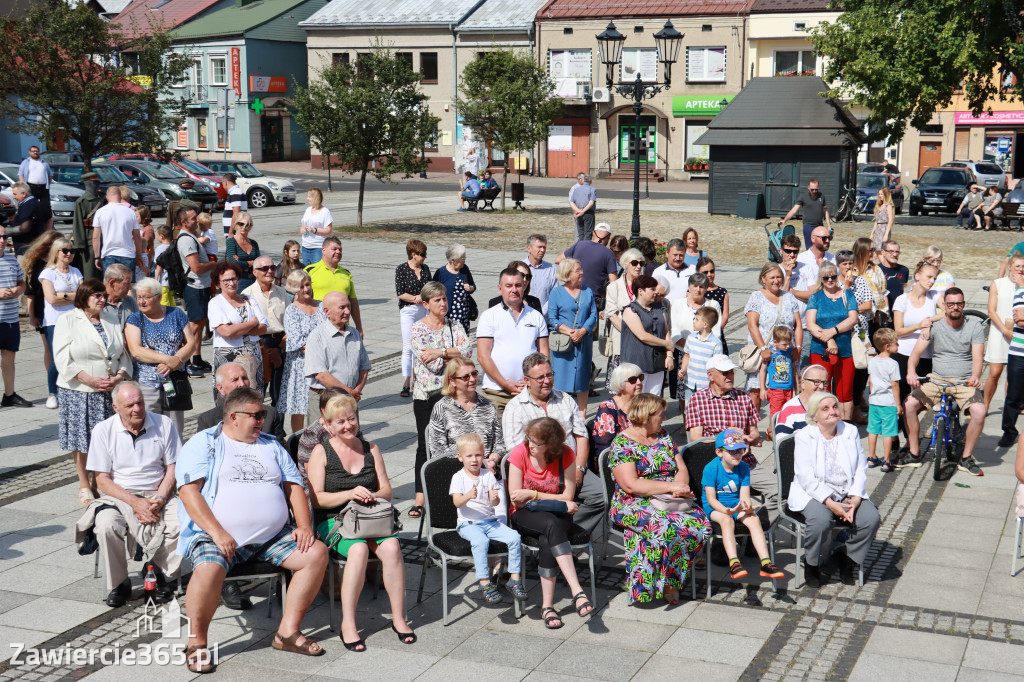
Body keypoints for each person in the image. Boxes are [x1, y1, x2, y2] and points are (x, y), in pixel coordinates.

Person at [176, 387, 328, 672]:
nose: (262, 419)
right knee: (208, 568)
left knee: (315, 553)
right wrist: (218, 532)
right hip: (215, 533)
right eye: (256, 415)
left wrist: (305, 525)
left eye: (263, 414)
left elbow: (294, 486)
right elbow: (188, 493)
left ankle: (287, 633)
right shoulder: (204, 443)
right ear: (234, 416)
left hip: (270, 536)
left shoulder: (271, 445)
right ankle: (196, 642)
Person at [306, 393, 414, 651]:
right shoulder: (321, 452)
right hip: (334, 520)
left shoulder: (371, 449)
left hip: (370, 518)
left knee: (392, 547)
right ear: (328, 425)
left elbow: (387, 491)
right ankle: (349, 623)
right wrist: (349, 494)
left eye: (351, 418)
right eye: (340, 421)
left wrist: (370, 495)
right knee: (358, 548)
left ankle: (398, 618)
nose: (348, 425)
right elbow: (317, 499)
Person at [609, 393, 711, 604]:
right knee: (664, 526)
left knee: (700, 524)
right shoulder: (622, 443)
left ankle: (671, 580)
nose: (664, 418)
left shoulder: (664, 436)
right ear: (646, 416)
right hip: (632, 502)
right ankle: (652, 585)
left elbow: (680, 468)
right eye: (660, 414)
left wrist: (679, 488)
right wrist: (670, 486)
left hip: (669, 497)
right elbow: (631, 484)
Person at [85, 381, 181, 607]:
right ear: (115, 408)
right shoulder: (103, 430)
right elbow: (101, 479)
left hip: (158, 492)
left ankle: (159, 569)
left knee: (184, 521)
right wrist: (135, 503)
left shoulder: (164, 424)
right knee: (107, 524)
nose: (137, 409)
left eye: (140, 403)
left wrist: (159, 498)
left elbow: (174, 468)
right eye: (129, 405)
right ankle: (119, 583)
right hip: (120, 495)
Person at [506, 417, 594, 628]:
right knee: (551, 525)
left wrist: (533, 494)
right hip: (525, 514)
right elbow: (516, 498)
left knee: (548, 538)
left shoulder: (566, 455)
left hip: (556, 515)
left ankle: (547, 607)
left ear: (551, 445)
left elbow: (568, 496)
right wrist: (550, 500)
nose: (530, 445)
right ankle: (577, 591)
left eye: (535, 443)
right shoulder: (520, 453)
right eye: (529, 439)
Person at [502, 353, 603, 536]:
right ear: (527, 380)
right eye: (540, 377)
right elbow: (515, 451)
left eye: (549, 375)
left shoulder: (565, 399)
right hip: (538, 472)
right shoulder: (515, 407)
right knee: (544, 508)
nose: (547, 380)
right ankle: (554, 536)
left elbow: (581, 437)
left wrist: (579, 468)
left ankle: (566, 534)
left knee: (601, 496)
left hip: (571, 466)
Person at [789, 392, 880, 588]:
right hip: (814, 492)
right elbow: (806, 477)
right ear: (814, 416)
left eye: (835, 407)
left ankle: (848, 558)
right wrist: (830, 503)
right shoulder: (805, 436)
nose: (833, 411)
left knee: (871, 519)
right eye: (826, 408)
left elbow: (860, 467)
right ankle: (812, 563)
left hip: (847, 491)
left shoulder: (850, 431)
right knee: (821, 520)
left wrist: (855, 498)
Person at [53, 278, 132, 506]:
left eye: (103, 295)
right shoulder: (67, 320)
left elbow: (123, 354)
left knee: (109, 439)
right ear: (83, 297)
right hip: (80, 390)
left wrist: (118, 376)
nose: (102, 299)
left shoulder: (110, 317)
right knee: (82, 439)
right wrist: (89, 380)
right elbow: (62, 359)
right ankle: (84, 485)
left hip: (109, 390)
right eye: (96, 295)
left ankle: (102, 481)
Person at [904, 288, 986, 475]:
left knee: (980, 412)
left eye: (959, 304)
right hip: (937, 380)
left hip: (964, 381)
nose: (955, 307)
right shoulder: (934, 326)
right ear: (945, 306)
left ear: (963, 305)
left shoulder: (974, 327)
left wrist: (975, 376)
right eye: (951, 304)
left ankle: (966, 458)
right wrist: (911, 371)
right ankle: (915, 453)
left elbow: (978, 357)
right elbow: (915, 354)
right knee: (909, 404)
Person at [409, 281, 472, 515]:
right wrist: (448, 357)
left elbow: (468, 351)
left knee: (454, 443)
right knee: (425, 447)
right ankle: (420, 498)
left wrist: (441, 351)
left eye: (444, 298)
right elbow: (433, 365)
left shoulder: (454, 325)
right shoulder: (418, 328)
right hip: (427, 397)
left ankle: (450, 493)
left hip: (453, 395)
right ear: (426, 304)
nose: (443, 303)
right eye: (437, 300)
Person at [450, 432, 527, 603]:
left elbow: (495, 501)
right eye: (469, 456)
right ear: (460, 457)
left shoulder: (488, 474)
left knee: (514, 537)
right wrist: (468, 495)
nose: (474, 459)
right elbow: (457, 502)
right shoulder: (458, 477)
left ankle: (514, 578)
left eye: (478, 455)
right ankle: (484, 582)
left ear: (484, 455)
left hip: (489, 522)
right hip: (468, 524)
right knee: (481, 541)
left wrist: (494, 498)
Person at [702, 428, 785, 581]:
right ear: (719, 452)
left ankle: (766, 562)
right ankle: (734, 562)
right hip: (715, 506)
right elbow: (711, 499)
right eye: (733, 452)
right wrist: (727, 510)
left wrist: (746, 506)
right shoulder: (711, 468)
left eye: (741, 450)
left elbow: (744, 495)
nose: (738, 455)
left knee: (754, 519)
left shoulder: (744, 467)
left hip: (734, 503)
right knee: (726, 521)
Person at [123, 278, 195, 435]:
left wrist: (176, 361)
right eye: (139, 297)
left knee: (175, 430)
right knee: (149, 430)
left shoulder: (176, 313)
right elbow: (136, 351)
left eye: (146, 297)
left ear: (158, 297)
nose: (141, 301)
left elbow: (190, 343)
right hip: (148, 383)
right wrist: (169, 360)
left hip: (174, 380)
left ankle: (174, 459)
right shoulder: (135, 319)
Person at [476, 267, 548, 414]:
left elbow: (544, 355)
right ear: (500, 288)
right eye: (508, 286)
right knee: (497, 437)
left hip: (530, 391)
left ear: (524, 287)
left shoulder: (536, 316)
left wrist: (532, 382)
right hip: (496, 392)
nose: (513, 290)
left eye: (518, 285)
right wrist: (505, 384)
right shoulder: (489, 316)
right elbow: (483, 356)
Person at [743, 262, 804, 411]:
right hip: (765, 355)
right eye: (772, 277)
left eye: (779, 277)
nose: (776, 280)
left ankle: (777, 430)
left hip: (785, 356)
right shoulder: (756, 297)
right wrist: (763, 348)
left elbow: (798, 325)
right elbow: (752, 325)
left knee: (785, 396)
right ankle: (753, 430)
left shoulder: (789, 297)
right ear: (763, 278)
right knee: (757, 393)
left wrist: (798, 348)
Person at [304, 291, 371, 424]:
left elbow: (364, 367)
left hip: (350, 400)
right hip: (325, 398)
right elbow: (321, 375)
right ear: (327, 312)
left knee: (350, 439)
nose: (347, 311)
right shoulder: (317, 336)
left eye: (348, 307)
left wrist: (356, 390)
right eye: (342, 308)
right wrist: (349, 392)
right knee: (324, 440)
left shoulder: (354, 333)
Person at [427, 356, 506, 467]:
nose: (473, 379)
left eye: (474, 374)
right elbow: (438, 450)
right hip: (455, 470)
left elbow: (500, 444)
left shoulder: (488, 405)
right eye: (465, 377)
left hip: (489, 469)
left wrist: (491, 461)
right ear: (452, 381)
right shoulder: (442, 408)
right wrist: (474, 465)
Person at [892, 260, 942, 434]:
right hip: (903, 354)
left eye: (934, 278)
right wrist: (919, 326)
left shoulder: (934, 295)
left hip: (925, 355)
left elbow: (949, 310)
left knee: (921, 400)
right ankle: (901, 437)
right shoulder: (902, 299)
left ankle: (911, 435)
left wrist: (930, 321)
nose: (931, 281)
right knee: (902, 398)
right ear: (917, 276)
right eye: (929, 277)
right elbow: (898, 331)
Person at [806, 262, 860, 419]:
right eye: (826, 277)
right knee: (822, 390)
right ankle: (824, 424)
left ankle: (845, 427)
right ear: (821, 279)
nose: (830, 280)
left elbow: (853, 319)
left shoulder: (847, 294)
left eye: (833, 276)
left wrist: (833, 331)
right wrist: (829, 340)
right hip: (820, 350)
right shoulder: (815, 297)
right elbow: (811, 324)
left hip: (845, 350)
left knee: (845, 392)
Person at [208, 261, 268, 396]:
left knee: (253, 398)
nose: (231, 283)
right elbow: (226, 332)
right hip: (227, 356)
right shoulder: (215, 303)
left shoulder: (249, 299)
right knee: (229, 399)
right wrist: (252, 323)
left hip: (253, 357)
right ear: (218, 283)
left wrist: (236, 329)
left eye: (234, 278)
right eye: (226, 280)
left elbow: (263, 328)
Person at [548, 257, 598, 415]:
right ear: (568, 274)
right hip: (564, 343)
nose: (582, 272)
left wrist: (582, 331)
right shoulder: (556, 293)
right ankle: (560, 413)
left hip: (583, 343)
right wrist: (570, 332)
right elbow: (552, 318)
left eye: (581, 269)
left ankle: (582, 414)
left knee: (582, 378)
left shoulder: (587, 291)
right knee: (561, 379)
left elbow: (593, 315)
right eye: (578, 270)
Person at [22, 231, 64, 408]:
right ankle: (52, 381)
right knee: (49, 348)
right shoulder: (38, 264)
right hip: (43, 310)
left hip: (63, 310)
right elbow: (30, 293)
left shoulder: (66, 263)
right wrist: (31, 316)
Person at [280, 270, 325, 434]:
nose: (306, 289)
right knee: (299, 407)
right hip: (300, 365)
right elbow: (297, 340)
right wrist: (320, 351)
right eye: (301, 286)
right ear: (294, 289)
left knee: (320, 404)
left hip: (322, 364)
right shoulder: (292, 310)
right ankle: (297, 442)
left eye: (308, 284)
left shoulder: (321, 306)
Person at [196, 362, 286, 443]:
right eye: (235, 380)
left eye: (244, 378)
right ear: (220, 388)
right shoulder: (208, 420)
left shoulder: (270, 414)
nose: (242, 384)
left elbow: (280, 451)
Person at [175, 205, 216, 375]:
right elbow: (196, 267)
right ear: (184, 222)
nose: (197, 220)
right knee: (193, 328)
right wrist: (214, 264)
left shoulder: (193, 235)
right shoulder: (186, 239)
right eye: (193, 218)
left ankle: (197, 359)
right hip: (194, 287)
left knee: (199, 325)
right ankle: (183, 362)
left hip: (201, 286)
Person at [619, 274, 674, 395]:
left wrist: (669, 355)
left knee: (654, 397)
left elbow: (666, 331)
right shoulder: (630, 310)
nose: (656, 292)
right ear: (641, 291)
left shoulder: (659, 308)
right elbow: (642, 335)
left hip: (657, 361)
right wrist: (666, 344)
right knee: (636, 398)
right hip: (637, 361)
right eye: (652, 289)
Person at [244, 255, 287, 406]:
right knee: (256, 393)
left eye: (272, 267)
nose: (270, 271)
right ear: (255, 272)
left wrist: (282, 345)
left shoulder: (282, 293)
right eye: (264, 268)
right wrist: (265, 348)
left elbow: (291, 322)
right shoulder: (246, 294)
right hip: (258, 344)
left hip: (281, 343)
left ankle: (277, 429)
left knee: (279, 394)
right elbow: (245, 327)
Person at [984, 253, 1024, 412]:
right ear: (1010, 267)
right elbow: (991, 311)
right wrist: (1005, 331)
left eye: (1023, 267)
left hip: (1019, 334)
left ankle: (1010, 408)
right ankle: (985, 404)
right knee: (994, 372)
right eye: (1018, 266)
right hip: (999, 332)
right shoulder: (998, 284)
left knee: (1014, 375)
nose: (1021, 269)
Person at [602, 248, 645, 391]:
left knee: (638, 382)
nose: (638, 266)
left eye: (641, 263)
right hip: (621, 338)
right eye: (635, 263)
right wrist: (631, 332)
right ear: (625, 265)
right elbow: (612, 314)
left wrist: (640, 334)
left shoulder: (645, 286)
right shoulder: (614, 287)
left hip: (641, 342)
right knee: (621, 385)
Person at [305, 236, 362, 335]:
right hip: (318, 327)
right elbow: (300, 301)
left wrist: (359, 327)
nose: (338, 252)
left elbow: (353, 301)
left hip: (342, 328)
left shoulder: (346, 273)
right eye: (334, 249)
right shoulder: (310, 271)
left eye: (340, 249)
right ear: (323, 250)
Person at [395, 239, 431, 398]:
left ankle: (419, 378)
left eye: (425, 254)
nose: (424, 257)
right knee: (408, 346)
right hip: (408, 310)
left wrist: (422, 298)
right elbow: (400, 292)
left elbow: (430, 288)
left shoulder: (425, 269)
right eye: (422, 254)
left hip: (424, 310)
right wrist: (414, 298)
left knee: (422, 345)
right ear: (413, 254)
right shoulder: (401, 269)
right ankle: (406, 381)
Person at [590, 362, 644, 464]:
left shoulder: (643, 404)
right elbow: (605, 448)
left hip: (643, 456)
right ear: (621, 384)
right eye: (633, 380)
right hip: (618, 462)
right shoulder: (607, 409)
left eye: (640, 378)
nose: (639, 382)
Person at [790, 226, 837, 335]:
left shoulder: (833, 260)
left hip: (828, 315)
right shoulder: (801, 260)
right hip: (804, 318)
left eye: (829, 238)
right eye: (824, 238)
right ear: (813, 239)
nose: (827, 241)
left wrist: (792, 291)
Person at [0, 228, 28, 408]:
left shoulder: (10, 258)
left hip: (10, 318)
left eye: (4, 237)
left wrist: (18, 290)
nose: (2, 240)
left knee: (9, 358)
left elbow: (22, 282)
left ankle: (9, 395)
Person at [866, 328, 901, 473]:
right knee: (888, 432)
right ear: (888, 347)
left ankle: (872, 457)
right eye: (896, 344)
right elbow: (895, 385)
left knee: (872, 430)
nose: (898, 346)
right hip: (888, 402)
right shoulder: (893, 364)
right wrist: (898, 403)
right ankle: (886, 460)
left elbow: (871, 380)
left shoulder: (872, 361)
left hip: (874, 401)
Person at [91, 186, 142, 281]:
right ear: (120, 196)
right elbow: (137, 237)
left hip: (108, 254)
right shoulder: (131, 212)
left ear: (107, 197)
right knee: (128, 286)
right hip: (127, 254)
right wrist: (139, 255)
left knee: (110, 285)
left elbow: (95, 237)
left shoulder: (100, 212)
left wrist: (97, 257)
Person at [677, 306, 722, 412]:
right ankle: (689, 428)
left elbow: (717, 366)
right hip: (690, 382)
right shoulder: (691, 338)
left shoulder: (715, 343)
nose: (694, 321)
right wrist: (683, 369)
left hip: (706, 385)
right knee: (689, 410)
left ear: (705, 324)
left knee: (705, 411)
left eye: (697, 319)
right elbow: (687, 355)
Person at [556, 224, 618, 300]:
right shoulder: (608, 254)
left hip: (571, 295)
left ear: (593, 233)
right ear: (609, 236)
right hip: (592, 298)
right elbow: (614, 283)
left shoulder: (579, 245)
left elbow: (558, 260)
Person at [759, 325, 795, 439]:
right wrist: (762, 389)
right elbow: (762, 371)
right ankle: (773, 433)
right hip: (775, 389)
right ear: (775, 341)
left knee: (787, 411)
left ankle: (780, 431)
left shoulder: (790, 352)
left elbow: (794, 370)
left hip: (789, 389)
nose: (787, 346)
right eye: (784, 344)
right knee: (775, 413)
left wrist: (797, 388)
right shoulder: (770, 354)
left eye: (789, 343)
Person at [774, 364, 831, 437]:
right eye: (817, 382)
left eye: (825, 383)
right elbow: (782, 443)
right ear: (803, 383)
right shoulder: (790, 409)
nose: (821, 386)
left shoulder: (831, 406)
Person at [432, 243, 476, 333]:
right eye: (463, 259)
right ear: (453, 260)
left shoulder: (464, 269)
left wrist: (470, 288)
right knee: (451, 337)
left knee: (464, 338)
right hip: (450, 313)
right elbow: (432, 292)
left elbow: (473, 285)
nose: (464, 261)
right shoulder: (441, 273)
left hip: (465, 312)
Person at [780, 178, 832, 248]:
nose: (814, 191)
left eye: (816, 189)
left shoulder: (821, 196)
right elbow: (794, 210)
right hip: (808, 227)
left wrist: (829, 225)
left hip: (820, 226)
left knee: (821, 247)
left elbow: (825, 211)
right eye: (812, 189)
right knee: (810, 248)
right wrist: (785, 220)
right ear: (808, 188)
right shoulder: (803, 197)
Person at [71, 171, 103, 279]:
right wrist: (80, 244)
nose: (97, 185)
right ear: (88, 184)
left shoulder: (102, 200)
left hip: (104, 240)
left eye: (97, 182)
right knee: (90, 275)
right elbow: (78, 225)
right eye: (95, 183)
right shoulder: (81, 202)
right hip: (89, 242)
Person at [9, 182, 52, 255]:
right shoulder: (37, 203)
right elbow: (50, 218)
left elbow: (25, 228)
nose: (13, 197)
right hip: (37, 246)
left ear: (23, 194)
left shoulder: (27, 206)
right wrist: (46, 235)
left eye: (15, 194)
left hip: (25, 249)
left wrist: (7, 231)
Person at [697, 256, 730, 352]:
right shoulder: (695, 291)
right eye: (705, 272)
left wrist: (714, 332)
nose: (709, 274)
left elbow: (725, 316)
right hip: (699, 334)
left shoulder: (722, 292)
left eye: (712, 271)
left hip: (716, 335)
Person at [652, 238, 695, 303]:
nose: (678, 258)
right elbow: (653, 295)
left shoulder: (693, 270)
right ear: (667, 253)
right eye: (675, 255)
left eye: (681, 255)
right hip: (667, 311)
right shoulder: (659, 272)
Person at [225, 212, 260, 290]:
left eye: (247, 225)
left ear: (251, 227)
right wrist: (250, 263)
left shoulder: (254, 243)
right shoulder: (231, 242)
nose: (244, 227)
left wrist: (242, 264)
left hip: (255, 280)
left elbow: (259, 263)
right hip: (239, 281)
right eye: (241, 224)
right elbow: (234, 263)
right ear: (236, 225)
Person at [299, 187, 333, 266]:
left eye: (309, 197)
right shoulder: (308, 210)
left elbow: (329, 230)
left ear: (315, 198)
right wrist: (302, 229)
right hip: (305, 246)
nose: (307, 199)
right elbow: (302, 225)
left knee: (317, 270)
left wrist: (315, 230)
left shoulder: (325, 212)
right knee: (306, 271)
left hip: (318, 247)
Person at [526, 234, 557, 314]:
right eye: (539, 247)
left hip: (544, 317)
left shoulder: (551, 269)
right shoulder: (520, 267)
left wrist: (542, 312)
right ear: (529, 248)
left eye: (544, 247)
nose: (542, 250)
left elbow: (554, 295)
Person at [877, 240, 910, 310]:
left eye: (897, 252)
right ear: (883, 252)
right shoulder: (876, 270)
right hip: (881, 314)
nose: (895, 255)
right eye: (891, 251)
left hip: (898, 312)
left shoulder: (904, 270)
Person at [18, 145, 52, 210]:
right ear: (29, 152)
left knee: (46, 207)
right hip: (31, 188)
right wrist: (24, 186)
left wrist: (48, 184)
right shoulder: (26, 162)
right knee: (31, 206)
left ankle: (43, 219)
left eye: (37, 151)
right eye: (33, 151)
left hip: (43, 188)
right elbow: (20, 174)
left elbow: (50, 175)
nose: (35, 152)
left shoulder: (44, 162)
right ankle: (31, 220)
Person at [568, 172, 597, 242]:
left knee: (581, 234)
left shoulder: (576, 189)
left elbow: (571, 202)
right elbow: (591, 202)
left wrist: (578, 210)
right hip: (588, 213)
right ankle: (585, 250)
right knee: (588, 234)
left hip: (578, 213)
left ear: (583, 181)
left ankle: (579, 250)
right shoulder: (592, 189)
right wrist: (583, 211)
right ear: (591, 181)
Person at [152, 225, 176, 306]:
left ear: (161, 236)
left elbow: (159, 265)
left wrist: (156, 278)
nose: (157, 238)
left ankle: (166, 316)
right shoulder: (173, 247)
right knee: (171, 299)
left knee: (163, 300)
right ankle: (174, 314)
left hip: (163, 280)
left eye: (157, 236)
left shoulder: (160, 248)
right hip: (172, 279)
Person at [870, 187, 895, 254]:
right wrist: (872, 233)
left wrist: (886, 234)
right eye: (879, 194)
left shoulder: (889, 206)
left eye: (882, 194)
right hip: (878, 230)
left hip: (884, 229)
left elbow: (890, 220)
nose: (880, 196)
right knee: (876, 251)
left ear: (886, 195)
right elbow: (876, 221)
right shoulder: (880, 206)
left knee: (882, 250)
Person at [221, 172, 246, 237]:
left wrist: (230, 232)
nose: (223, 187)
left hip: (234, 234)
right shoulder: (235, 192)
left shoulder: (235, 192)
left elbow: (236, 212)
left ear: (225, 182)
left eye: (222, 184)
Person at [135, 205, 154, 282]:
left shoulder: (148, 230)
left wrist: (148, 265)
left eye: (137, 216)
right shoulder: (143, 228)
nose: (135, 218)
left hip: (145, 259)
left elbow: (150, 248)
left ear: (143, 217)